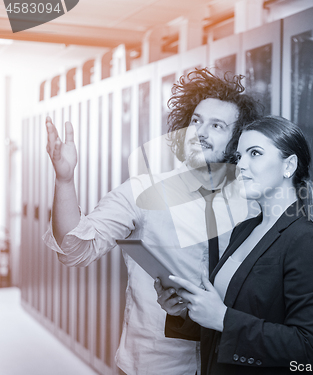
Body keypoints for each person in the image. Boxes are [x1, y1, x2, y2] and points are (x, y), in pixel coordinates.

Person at [42, 69, 261, 375]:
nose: (200, 132)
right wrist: (64, 180)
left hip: (227, 364)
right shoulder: (143, 191)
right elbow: (74, 251)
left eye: (217, 126)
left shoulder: (251, 205)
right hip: (153, 365)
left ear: (238, 139)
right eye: (196, 121)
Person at [156, 116, 313, 374]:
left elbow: (307, 348)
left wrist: (223, 318)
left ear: (289, 166)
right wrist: (183, 312)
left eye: (255, 153)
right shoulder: (244, 230)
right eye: (240, 156)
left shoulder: (309, 242)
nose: (240, 165)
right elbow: (223, 326)